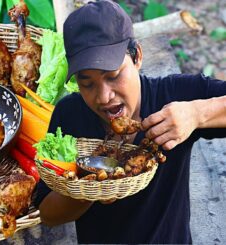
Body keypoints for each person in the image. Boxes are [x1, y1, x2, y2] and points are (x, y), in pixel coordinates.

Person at [35, 0, 226, 244]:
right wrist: (85, 189)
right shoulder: (69, 115)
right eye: (87, 83)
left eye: (113, 75)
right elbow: (48, 214)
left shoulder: (173, 96)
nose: (103, 97)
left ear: (137, 57)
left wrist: (198, 113)